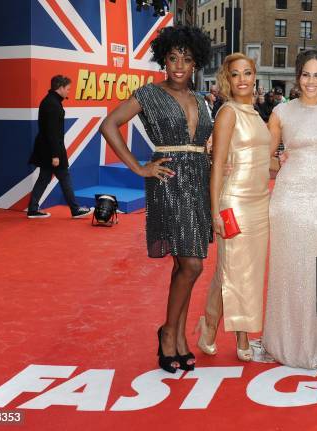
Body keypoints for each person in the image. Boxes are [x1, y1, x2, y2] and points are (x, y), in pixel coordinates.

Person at [99, 25, 213, 374]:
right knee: (192, 265)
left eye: (187, 59)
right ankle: (167, 334)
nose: (179, 65)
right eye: (173, 58)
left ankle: (178, 337)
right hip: (169, 180)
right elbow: (109, 125)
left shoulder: (201, 100)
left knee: (186, 267)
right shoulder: (149, 94)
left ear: (196, 64)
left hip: (198, 182)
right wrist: (139, 167)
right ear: (163, 59)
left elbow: (205, 144)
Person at [261, 50, 317, 369]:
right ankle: (280, 341)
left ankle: (312, 345)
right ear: (298, 77)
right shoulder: (281, 112)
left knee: (316, 271)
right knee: (286, 270)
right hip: (286, 199)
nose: (311, 81)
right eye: (306, 74)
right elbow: (267, 158)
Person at [196, 53, 272, 362]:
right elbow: (217, 166)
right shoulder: (227, 113)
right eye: (236, 74)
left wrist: (286, 162)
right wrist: (215, 210)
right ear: (228, 78)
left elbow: (263, 160)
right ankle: (242, 336)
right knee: (237, 270)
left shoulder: (256, 113)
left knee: (237, 271)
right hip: (234, 202)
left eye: (248, 73)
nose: (242, 79)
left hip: (260, 202)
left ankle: (209, 324)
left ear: (255, 76)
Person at [27, 75, 93, 219]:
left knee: (44, 178)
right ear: (60, 88)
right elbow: (52, 132)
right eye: (68, 89)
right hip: (52, 150)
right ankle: (75, 210)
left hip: (47, 148)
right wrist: (55, 155)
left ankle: (32, 209)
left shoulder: (50, 101)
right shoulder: (52, 104)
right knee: (64, 176)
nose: (69, 92)